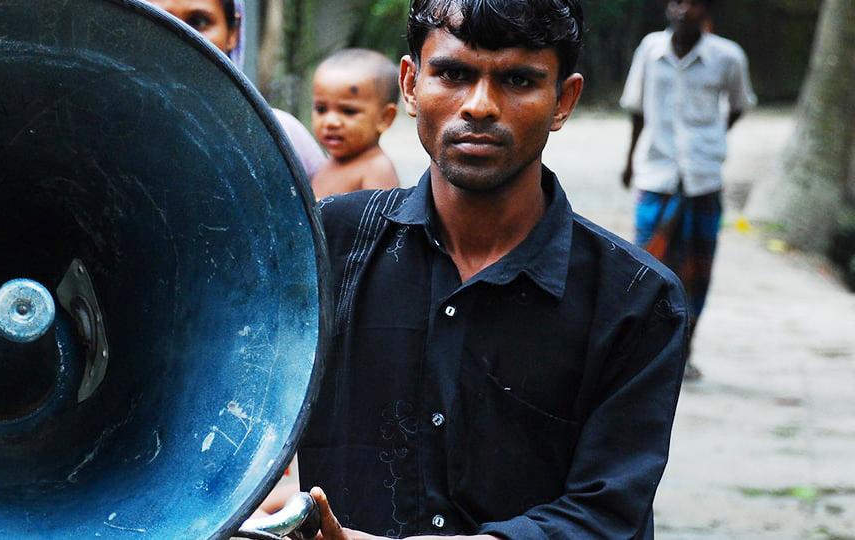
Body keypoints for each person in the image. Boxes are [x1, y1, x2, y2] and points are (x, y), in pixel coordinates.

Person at [297, 0, 690, 538]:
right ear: (411, 85)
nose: (480, 106)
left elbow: (606, 516)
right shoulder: (325, 247)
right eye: (454, 74)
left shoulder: (635, 300)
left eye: (518, 80)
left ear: (563, 100)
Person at [619, 0, 755, 379]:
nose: (683, 10)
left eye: (693, 4)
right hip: (656, 175)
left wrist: (711, 140)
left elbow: (739, 105)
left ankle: (685, 351)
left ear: (707, 12)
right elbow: (636, 109)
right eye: (678, 2)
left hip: (703, 180)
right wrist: (629, 161)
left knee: (696, 269)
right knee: (647, 266)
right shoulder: (650, 51)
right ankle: (645, 352)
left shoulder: (727, 58)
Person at [145, 0, 327, 179]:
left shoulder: (278, 135)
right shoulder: (118, 133)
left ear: (234, 33)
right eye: (160, 19)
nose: (179, 34)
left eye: (199, 21)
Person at [310, 48, 401, 200]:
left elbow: (381, 222)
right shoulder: (326, 164)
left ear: (384, 118)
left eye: (348, 111)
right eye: (321, 109)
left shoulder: (376, 169)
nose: (330, 122)